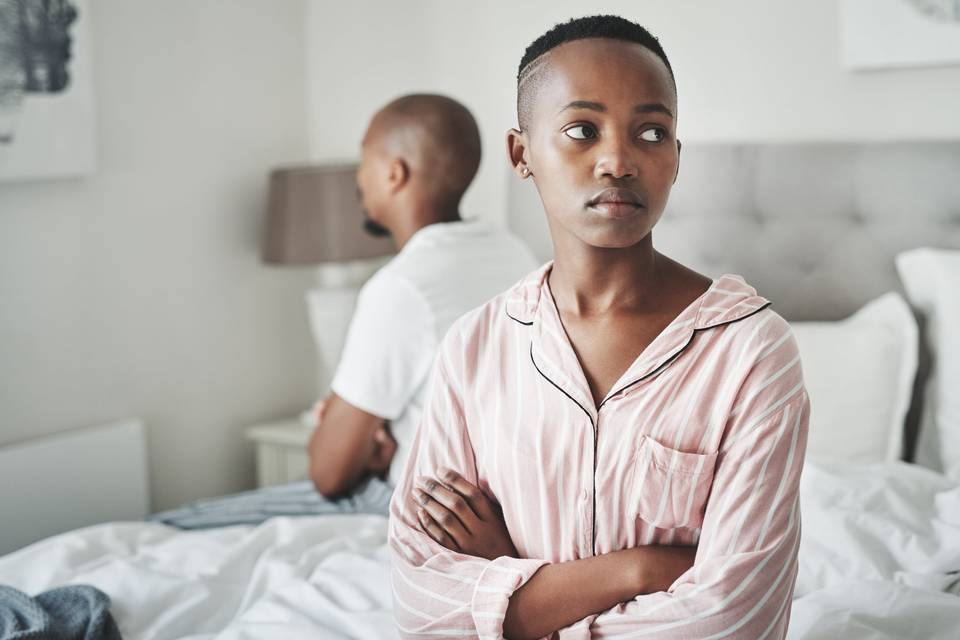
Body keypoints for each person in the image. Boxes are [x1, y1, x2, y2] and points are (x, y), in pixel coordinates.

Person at [389, 15, 809, 639]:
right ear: (521, 153)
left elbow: (731, 618)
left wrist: (511, 585)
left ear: (674, 158)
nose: (618, 161)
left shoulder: (750, 350)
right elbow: (419, 601)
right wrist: (637, 569)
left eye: (651, 131)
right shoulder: (475, 346)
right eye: (582, 130)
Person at [150, 94, 537, 529]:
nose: (359, 177)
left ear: (395, 174)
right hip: (496, 501)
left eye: (363, 160)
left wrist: (355, 434)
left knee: (170, 525)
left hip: (413, 505)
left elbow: (329, 474)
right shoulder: (513, 253)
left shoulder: (403, 286)